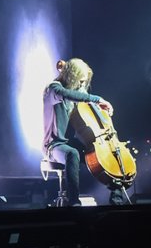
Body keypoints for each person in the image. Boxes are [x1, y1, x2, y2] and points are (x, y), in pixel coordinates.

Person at [42, 58, 114, 205]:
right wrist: (96, 99)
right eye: (80, 82)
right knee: (72, 153)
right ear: (72, 76)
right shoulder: (54, 89)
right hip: (54, 145)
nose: (82, 86)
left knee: (104, 154)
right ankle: (73, 202)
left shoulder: (74, 93)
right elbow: (69, 95)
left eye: (84, 83)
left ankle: (117, 197)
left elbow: (78, 97)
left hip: (70, 143)